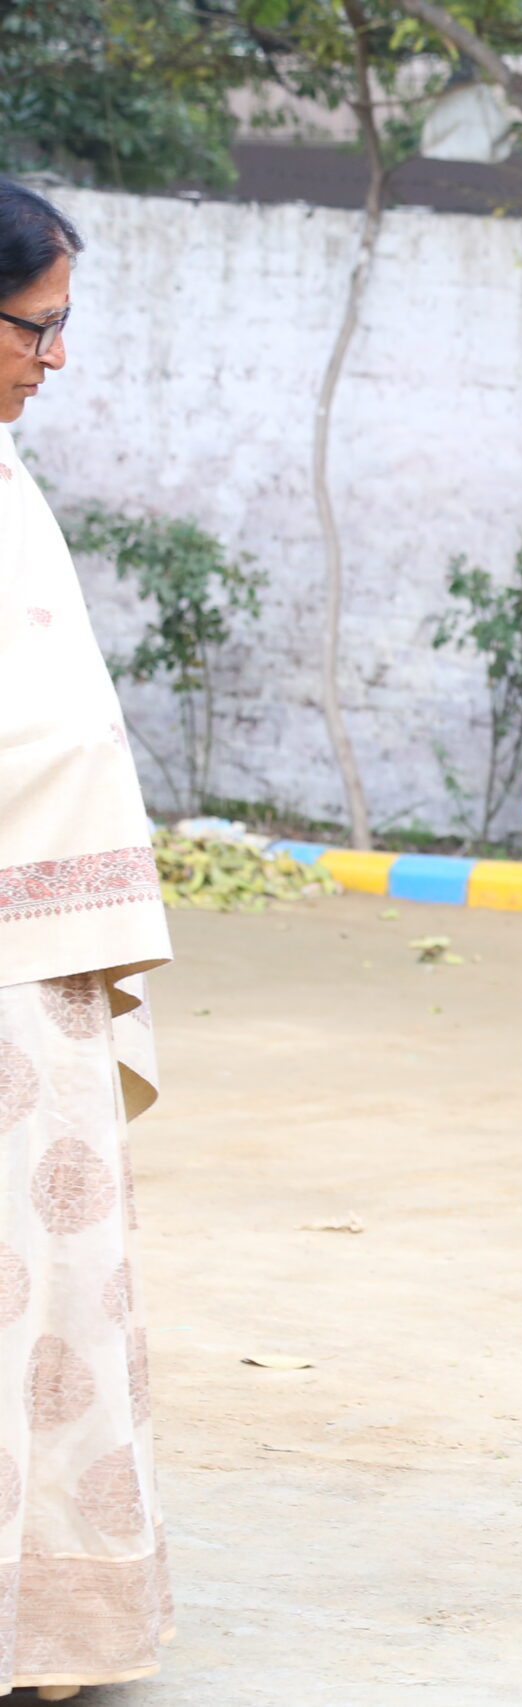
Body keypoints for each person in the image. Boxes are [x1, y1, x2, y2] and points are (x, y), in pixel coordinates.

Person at [0, 179, 176, 1695]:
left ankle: (51, 1619)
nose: (55, 358)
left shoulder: (6, 471)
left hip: (44, 954)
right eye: (36, 327)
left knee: (55, 1288)